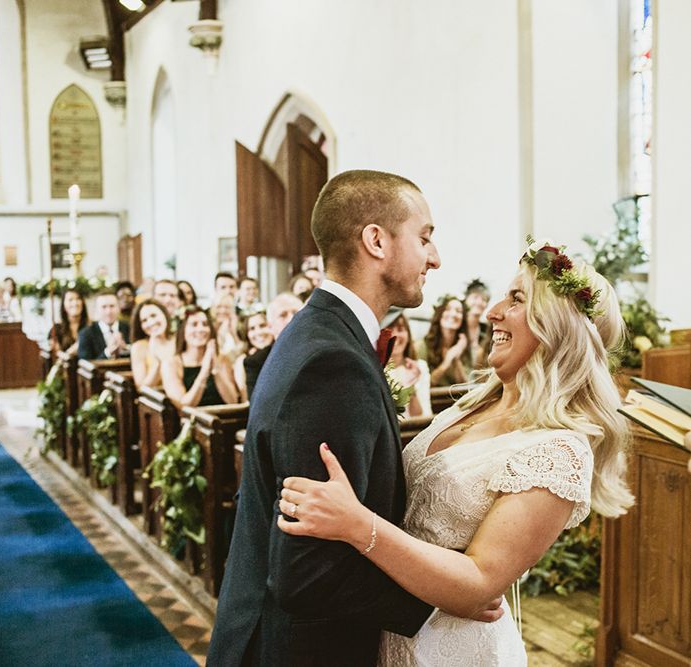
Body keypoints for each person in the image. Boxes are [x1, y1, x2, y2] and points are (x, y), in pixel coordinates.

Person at [278, 240, 634, 665]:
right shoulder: (472, 403)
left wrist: (356, 524)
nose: (491, 312)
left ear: (558, 329)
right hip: (388, 624)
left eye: (517, 299)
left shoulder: (559, 449)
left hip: (452, 649)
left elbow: (479, 583)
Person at [209, 170, 497, 667]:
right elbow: (307, 573)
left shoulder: (319, 332)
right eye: (425, 237)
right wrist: (444, 599)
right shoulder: (332, 363)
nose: (435, 257)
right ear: (376, 240)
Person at [161, 306, 239, 409]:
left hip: (222, 418)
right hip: (192, 421)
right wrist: (204, 372)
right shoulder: (171, 364)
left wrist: (216, 369)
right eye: (194, 325)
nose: (201, 329)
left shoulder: (222, 359)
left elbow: (233, 401)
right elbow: (183, 407)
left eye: (205, 324)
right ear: (183, 331)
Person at [241, 292, 304, 399]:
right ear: (270, 327)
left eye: (296, 313)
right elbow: (258, 409)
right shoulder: (256, 362)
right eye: (283, 315)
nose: (291, 319)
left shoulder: (322, 351)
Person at [384, 310, 432, 418]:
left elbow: (423, 416)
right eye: (389, 329)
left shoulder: (420, 367)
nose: (395, 335)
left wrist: (411, 388)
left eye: (400, 329)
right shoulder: (376, 370)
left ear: (408, 334)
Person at [421, 294, 472, 386]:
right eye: (448, 309)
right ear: (440, 315)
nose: (453, 314)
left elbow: (465, 387)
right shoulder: (422, 345)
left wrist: (456, 358)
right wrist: (447, 361)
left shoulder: (463, 345)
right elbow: (425, 384)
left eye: (459, 311)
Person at [129, 299, 176, 390]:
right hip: (156, 400)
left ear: (164, 314)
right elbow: (141, 388)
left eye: (154, 316)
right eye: (144, 320)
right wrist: (158, 364)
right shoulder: (139, 347)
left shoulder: (178, 339)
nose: (151, 322)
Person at [234, 310, 274, 402]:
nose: (258, 332)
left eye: (262, 326)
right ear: (247, 335)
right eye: (252, 329)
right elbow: (246, 399)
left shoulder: (282, 350)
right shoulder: (243, 361)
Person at [77, 290, 130, 360]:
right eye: (104, 307)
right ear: (96, 310)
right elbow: (85, 364)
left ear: (119, 308)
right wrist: (108, 352)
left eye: (112, 306)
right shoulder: (86, 334)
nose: (108, 311)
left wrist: (126, 348)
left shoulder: (130, 328)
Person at [49, 288, 89, 356]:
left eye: (78, 299)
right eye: (70, 300)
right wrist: (69, 353)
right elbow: (55, 353)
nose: (75, 303)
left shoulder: (91, 327)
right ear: (63, 305)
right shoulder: (56, 329)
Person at [464, 278, 492, 369]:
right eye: (475, 297)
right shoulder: (457, 326)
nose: (479, 302)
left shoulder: (487, 330)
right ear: (466, 300)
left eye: (484, 299)